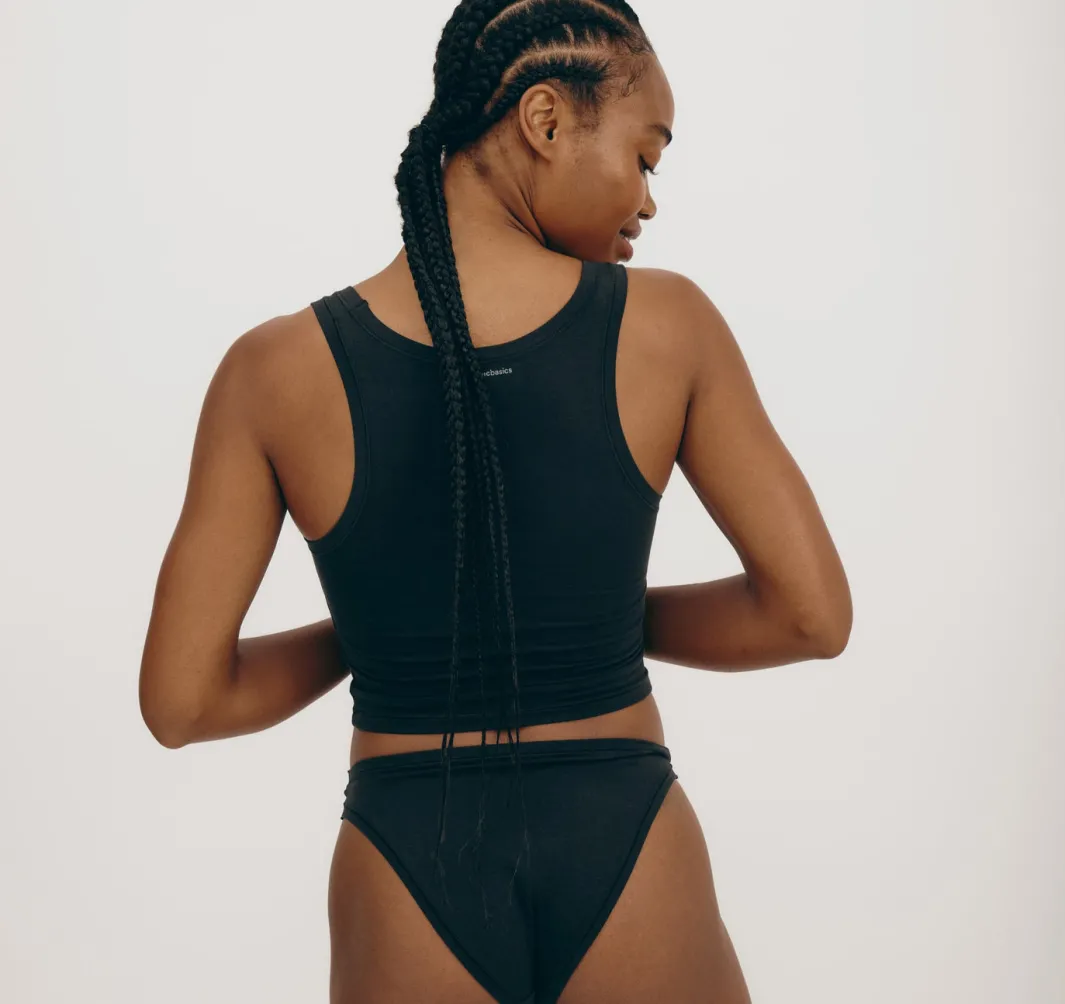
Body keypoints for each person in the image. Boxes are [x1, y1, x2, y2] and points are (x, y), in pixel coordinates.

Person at [139, 1, 852, 1001]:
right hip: (622, 827)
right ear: (546, 121)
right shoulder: (668, 325)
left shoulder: (272, 371)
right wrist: (594, 623)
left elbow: (183, 703)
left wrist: (382, 634)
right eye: (646, 157)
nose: (649, 202)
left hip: (403, 850)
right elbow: (810, 616)